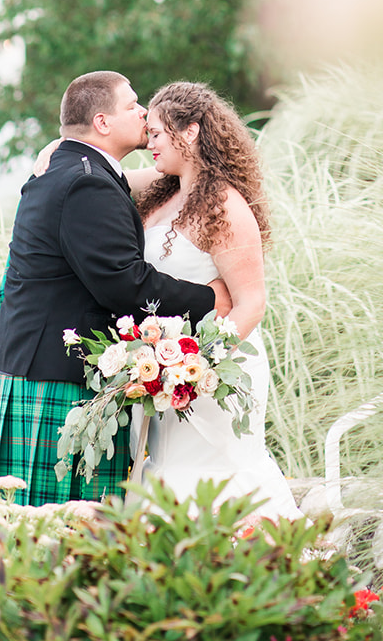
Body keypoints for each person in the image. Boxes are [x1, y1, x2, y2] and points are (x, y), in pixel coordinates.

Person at [35, 79, 300, 516]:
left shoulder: (226, 206)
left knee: (216, 475)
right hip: (162, 373)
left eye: (156, 133)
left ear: (190, 132)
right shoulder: (160, 193)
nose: (148, 142)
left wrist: (198, 365)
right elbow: (77, 161)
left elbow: (252, 302)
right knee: (165, 473)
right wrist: (163, 367)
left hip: (213, 374)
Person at [0, 70, 232, 507]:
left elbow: (133, 194)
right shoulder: (85, 182)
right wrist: (211, 300)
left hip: (36, 367)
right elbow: (125, 285)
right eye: (132, 104)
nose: (143, 111)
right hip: (56, 379)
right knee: (66, 538)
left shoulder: (73, 169)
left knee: (34, 540)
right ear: (102, 122)